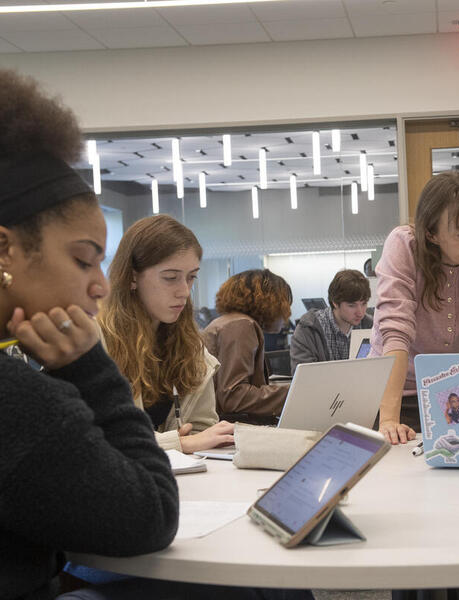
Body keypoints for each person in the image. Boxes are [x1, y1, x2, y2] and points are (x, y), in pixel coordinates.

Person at [0, 67, 178, 599]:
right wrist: (87, 368)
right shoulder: (15, 399)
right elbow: (151, 514)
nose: (100, 286)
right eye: (83, 260)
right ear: (5, 250)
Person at [371, 170, 459, 444]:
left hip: (452, 392)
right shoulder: (404, 245)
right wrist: (388, 421)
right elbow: (396, 332)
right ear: (431, 234)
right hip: (395, 393)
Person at [98, 215, 234, 454]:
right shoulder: (96, 340)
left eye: (191, 277)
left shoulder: (191, 347)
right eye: (170, 278)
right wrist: (177, 443)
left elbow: (203, 431)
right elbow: (93, 438)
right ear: (132, 277)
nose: (184, 291)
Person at [202, 269, 292, 423]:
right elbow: (234, 397)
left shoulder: (227, 322)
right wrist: (296, 392)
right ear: (272, 303)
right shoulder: (241, 326)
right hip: (228, 427)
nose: (287, 314)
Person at [290, 269, 373, 372]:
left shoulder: (371, 326)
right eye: (352, 306)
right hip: (321, 388)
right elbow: (303, 378)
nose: (360, 312)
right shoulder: (308, 329)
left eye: (364, 303)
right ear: (335, 302)